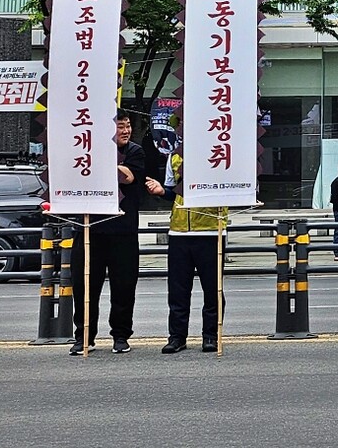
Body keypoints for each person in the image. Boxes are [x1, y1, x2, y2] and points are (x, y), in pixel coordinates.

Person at [70, 111, 146, 355]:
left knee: (123, 288)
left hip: (123, 232)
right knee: (84, 288)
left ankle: (121, 336)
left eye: (127, 127)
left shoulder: (135, 152)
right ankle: (83, 336)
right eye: (120, 127)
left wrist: (100, 159)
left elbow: (127, 177)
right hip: (89, 230)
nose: (125, 131)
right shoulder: (86, 152)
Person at [145, 152, 227, 354]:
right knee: (178, 289)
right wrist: (162, 191)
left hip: (211, 228)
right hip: (179, 230)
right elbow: (174, 193)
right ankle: (177, 337)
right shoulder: (175, 156)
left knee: (213, 288)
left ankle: (211, 336)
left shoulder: (218, 150)